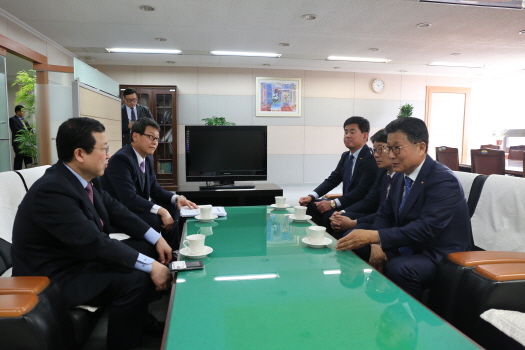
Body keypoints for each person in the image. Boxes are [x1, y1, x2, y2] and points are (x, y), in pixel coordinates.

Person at [11, 117, 172, 350]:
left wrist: (156, 238)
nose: (109, 155)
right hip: (55, 275)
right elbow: (93, 242)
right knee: (135, 279)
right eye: (104, 149)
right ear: (79, 154)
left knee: (148, 249)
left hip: (76, 259)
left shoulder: (84, 179)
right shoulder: (52, 190)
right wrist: (152, 267)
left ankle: (140, 320)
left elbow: (117, 210)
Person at [335, 117, 472, 300]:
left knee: (400, 268)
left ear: (421, 147)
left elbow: (426, 229)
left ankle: (409, 319)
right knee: (351, 242)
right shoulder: (401, 176)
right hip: (407, 243)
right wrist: (376, 245)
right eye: (389, 148)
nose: (391, 155)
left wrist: (376, 237)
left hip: (437, 252)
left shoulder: (443, 180)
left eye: (397, 148)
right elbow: (385, 214)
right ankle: (363, 297)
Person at [101, 117, 198, 248]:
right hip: (120, 213)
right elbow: (128, 198)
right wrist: (161, 210)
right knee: (157, 217)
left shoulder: (147, 159)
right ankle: (161, 252)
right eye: (151, 137)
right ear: (135, 136)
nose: (155, 142)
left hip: (136, 207)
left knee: (176, 208)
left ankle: (174, 251)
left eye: (157, 138)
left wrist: (177, 198)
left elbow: (155, 189)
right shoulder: (122, 159)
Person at [299, 116, 378, 237]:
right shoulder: (346, 156)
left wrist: (333, 203)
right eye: (346, 132)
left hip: (360, 207)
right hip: (345, 202)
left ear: (365, 136)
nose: (347, 135)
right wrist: (311, 196)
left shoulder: (371, 158)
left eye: (352, 132)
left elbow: (361, 191)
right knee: (312, 205)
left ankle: (328, 241)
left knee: (332, 217)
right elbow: (333, 179)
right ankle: (315, 238)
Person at [330, 128, 397, 254]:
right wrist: (342, 212)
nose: (376, 155)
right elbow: (369, 199)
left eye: (381, 149)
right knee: (338, 220)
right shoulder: (383, 172)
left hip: (386, 224)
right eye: (375, 150)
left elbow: (389, 214)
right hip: (376, 217)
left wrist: (354, 223)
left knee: (351, 236)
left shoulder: (402, 177)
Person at [9, 105, 33, 170]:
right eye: (22, 111)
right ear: (17, 112)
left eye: (24, 112)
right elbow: (16, 130)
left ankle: (29, 174)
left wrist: (32, 132)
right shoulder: (12, 119)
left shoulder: (24, 120)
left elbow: (29, 128)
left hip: (27, 143)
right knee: (19, 159)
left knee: (29, 160)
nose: (24, 113)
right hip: (19, 143)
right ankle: (16, 175)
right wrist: (27, 133)